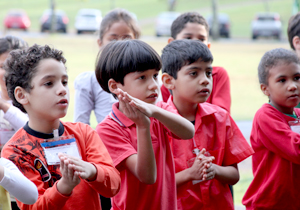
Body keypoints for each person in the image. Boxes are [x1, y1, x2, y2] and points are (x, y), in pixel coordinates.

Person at [1, 44, 121, 210]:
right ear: (22, 95)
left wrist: (93, 171)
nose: (62, 90)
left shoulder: (84, 133)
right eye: (49, 83)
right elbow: (33, 206)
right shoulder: (16, 151)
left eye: (64, 82)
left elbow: (113, 187)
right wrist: (64, 187)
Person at [95, 39, 195, 210]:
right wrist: (143, 126)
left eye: (155, 76)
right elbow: (147, 176)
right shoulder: (108, 129)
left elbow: (189, 132)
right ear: (114, 86)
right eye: (142, 77)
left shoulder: (159, 110)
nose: (154, 85)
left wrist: (155, 112)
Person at [161, 39, 254, 210]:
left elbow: (234, 175)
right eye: (194, 73)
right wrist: (190, 174)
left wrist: (214, 170)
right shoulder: (157, 122)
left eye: (208, 73)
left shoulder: (220, 118)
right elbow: (153, 184)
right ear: (168, 81)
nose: (205, 80)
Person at [242, 48, 300, 210]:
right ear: (265, 89)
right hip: (269, 204)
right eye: (282, 80)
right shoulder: (266, 116)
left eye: (297, 78)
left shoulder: (298, 115)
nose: (293, 86)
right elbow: (296, 149)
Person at [74, 8, 141, 125]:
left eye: (126, 38)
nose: (120, 44)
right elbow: (81, 126)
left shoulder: (147, 77)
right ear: (100, 43)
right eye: (113, 39)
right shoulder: (89, 81)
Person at [160, 12, 231, 113]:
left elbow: (222, 116)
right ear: (172, 43)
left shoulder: (218, 75)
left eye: (201, 39)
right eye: (188, 38)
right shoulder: (170, 83)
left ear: (208, 46)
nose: (195, 43)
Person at [0, 36, 28, 148]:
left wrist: (4, 107)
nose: (7, 73)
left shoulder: (34, 98)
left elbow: (33, 130)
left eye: (12, 67)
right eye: (2, 66)